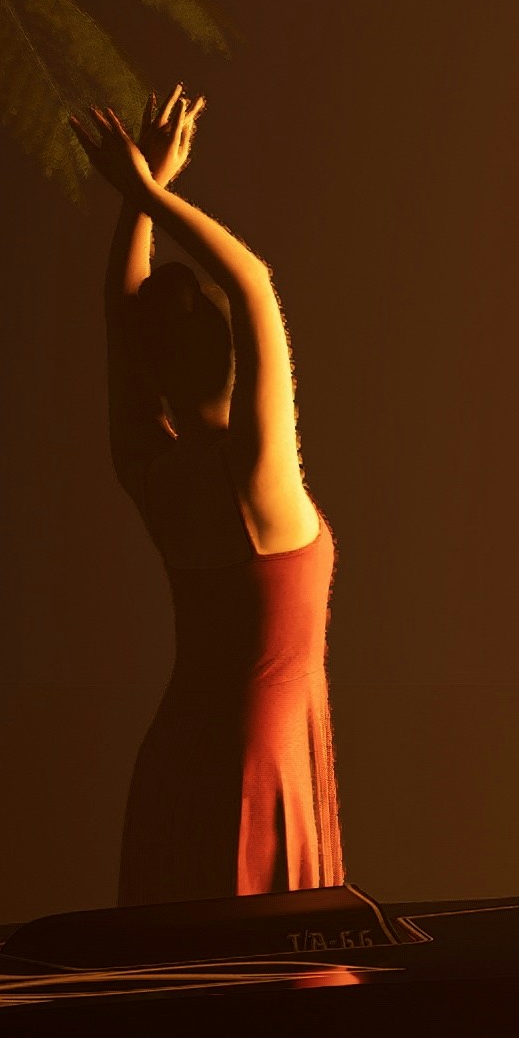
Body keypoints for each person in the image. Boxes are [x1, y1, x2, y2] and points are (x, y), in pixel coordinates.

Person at [82, 86, 341, 905]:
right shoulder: (259, 472)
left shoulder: (149, 470)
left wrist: (139, 197)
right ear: (229, 351)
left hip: (178, 759)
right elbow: (253, 282)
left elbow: (120, 319)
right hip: (257, 762)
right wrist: (147, 190)